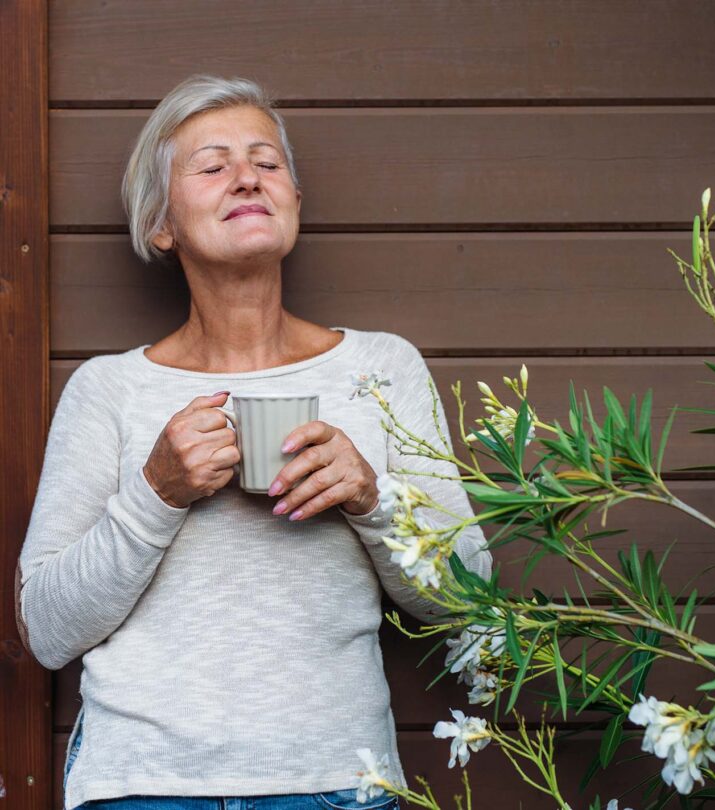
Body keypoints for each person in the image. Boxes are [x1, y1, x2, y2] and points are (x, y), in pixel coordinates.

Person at [16, 74, 493, 810]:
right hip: (143, 789)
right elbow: (45, 629)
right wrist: (156, 496)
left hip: (338, 784)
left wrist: (371, 499)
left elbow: (467, 600)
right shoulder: (106, 390)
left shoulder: (381, 368)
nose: (247, 177)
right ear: (161, 225)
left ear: (295, 201)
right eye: (212, 165)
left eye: (267, 163)